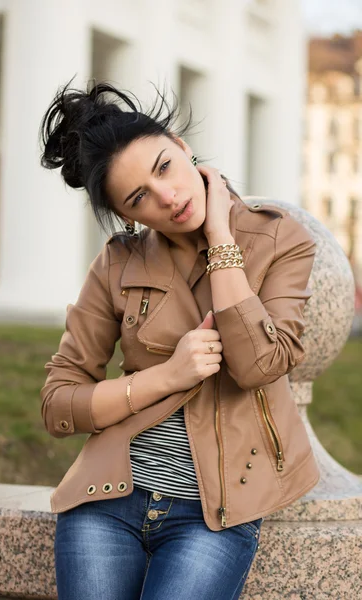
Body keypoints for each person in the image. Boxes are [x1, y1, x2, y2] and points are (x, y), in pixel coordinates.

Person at [39, 79, 320, 600]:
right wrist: (168, 376)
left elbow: (262, 365)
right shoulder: (119, 261)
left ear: (183, 148)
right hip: (107, 499)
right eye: (139, 196)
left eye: (164, 167)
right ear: (128, 214)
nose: (168, 197)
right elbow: (59, 402)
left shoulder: (281, 238)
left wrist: (221, 238)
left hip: (214, 514)